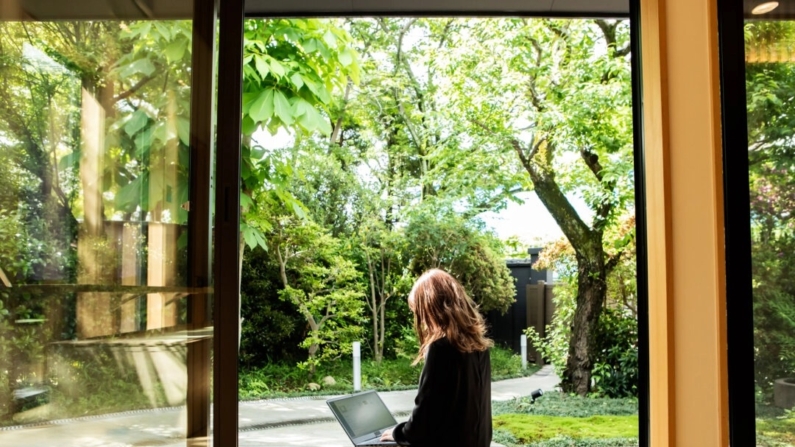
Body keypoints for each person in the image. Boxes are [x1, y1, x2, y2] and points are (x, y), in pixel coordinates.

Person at [380, 268, 493, 447]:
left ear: (433, 308)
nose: (422, 321)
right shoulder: (479, 346)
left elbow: (425, 415)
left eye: (420, 312)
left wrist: (398, 433)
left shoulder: (441, 348)